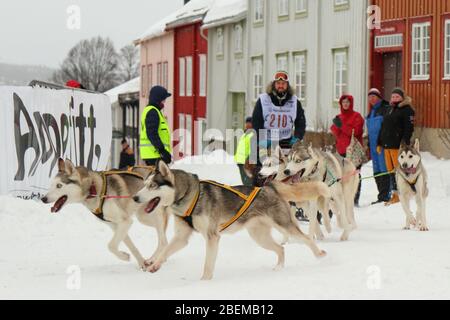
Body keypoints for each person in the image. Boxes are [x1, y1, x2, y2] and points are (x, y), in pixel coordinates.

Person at [252, 71, 306, 160]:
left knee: (290, 170)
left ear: (287, 85)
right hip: (267, 141)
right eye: (278, 83)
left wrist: (297, 137)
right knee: (261, 169)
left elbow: (301, 122)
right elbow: (257, 121)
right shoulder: (263, 100)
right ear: (273, 84)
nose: (280, 86)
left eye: (283, 83)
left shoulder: (294, 101)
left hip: (286, 143)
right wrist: (261, 139)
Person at [377, 87, 415, 206]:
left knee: (400, 170)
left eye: (397, 96)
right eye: (393, 96)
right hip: (387, 146)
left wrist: (404, 144)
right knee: (391, 172)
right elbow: (383, 128)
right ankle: (395, 194)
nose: (394, 98)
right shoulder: (389, 109)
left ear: (402, 97)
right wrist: (379, 142)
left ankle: (405, 192)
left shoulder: (407, 110)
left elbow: (409, 129)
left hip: (397, 146)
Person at [330, 94, 365, 206]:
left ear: (351, 104)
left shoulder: (357, 116)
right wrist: (336, 125)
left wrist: (341, 125)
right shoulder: (339, 116)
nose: (345, 104)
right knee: (343, 175)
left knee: (355, 175)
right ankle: (343, 198)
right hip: (341, 151)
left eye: (347, 102)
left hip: (354, 152)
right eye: (343, 102)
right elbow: (335, 132)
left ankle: (354, 199)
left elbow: (355, 132)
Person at [366, 88, 391, 205]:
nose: (371, 99)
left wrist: (382, 142)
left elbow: (387, 128)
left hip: (382, 145)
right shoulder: (371, 112)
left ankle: (386, 195)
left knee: (384, 168)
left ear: (379, 97)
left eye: (374, 96)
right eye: (370, 97)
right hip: (373, 146)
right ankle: (381, 195)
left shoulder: (385, 109)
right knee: (376, 170)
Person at [140, 85, 172, 166]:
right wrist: (162, 151)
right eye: (163, 100)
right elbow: (152, 133)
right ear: (158, 100)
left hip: (153, 155)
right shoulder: (152, 112)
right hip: (154, 156)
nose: (164, 102)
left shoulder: (154, 111)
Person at [234, 117, 255, 186]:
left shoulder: (252, 135)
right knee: (244, 181)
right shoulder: (244, 134)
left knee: (248, 183)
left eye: (250, 123)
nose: (247, 124)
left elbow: (252, 150)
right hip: (240, 162)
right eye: (247, 123)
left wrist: (249, 162)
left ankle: (249, 195)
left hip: (246, 163)